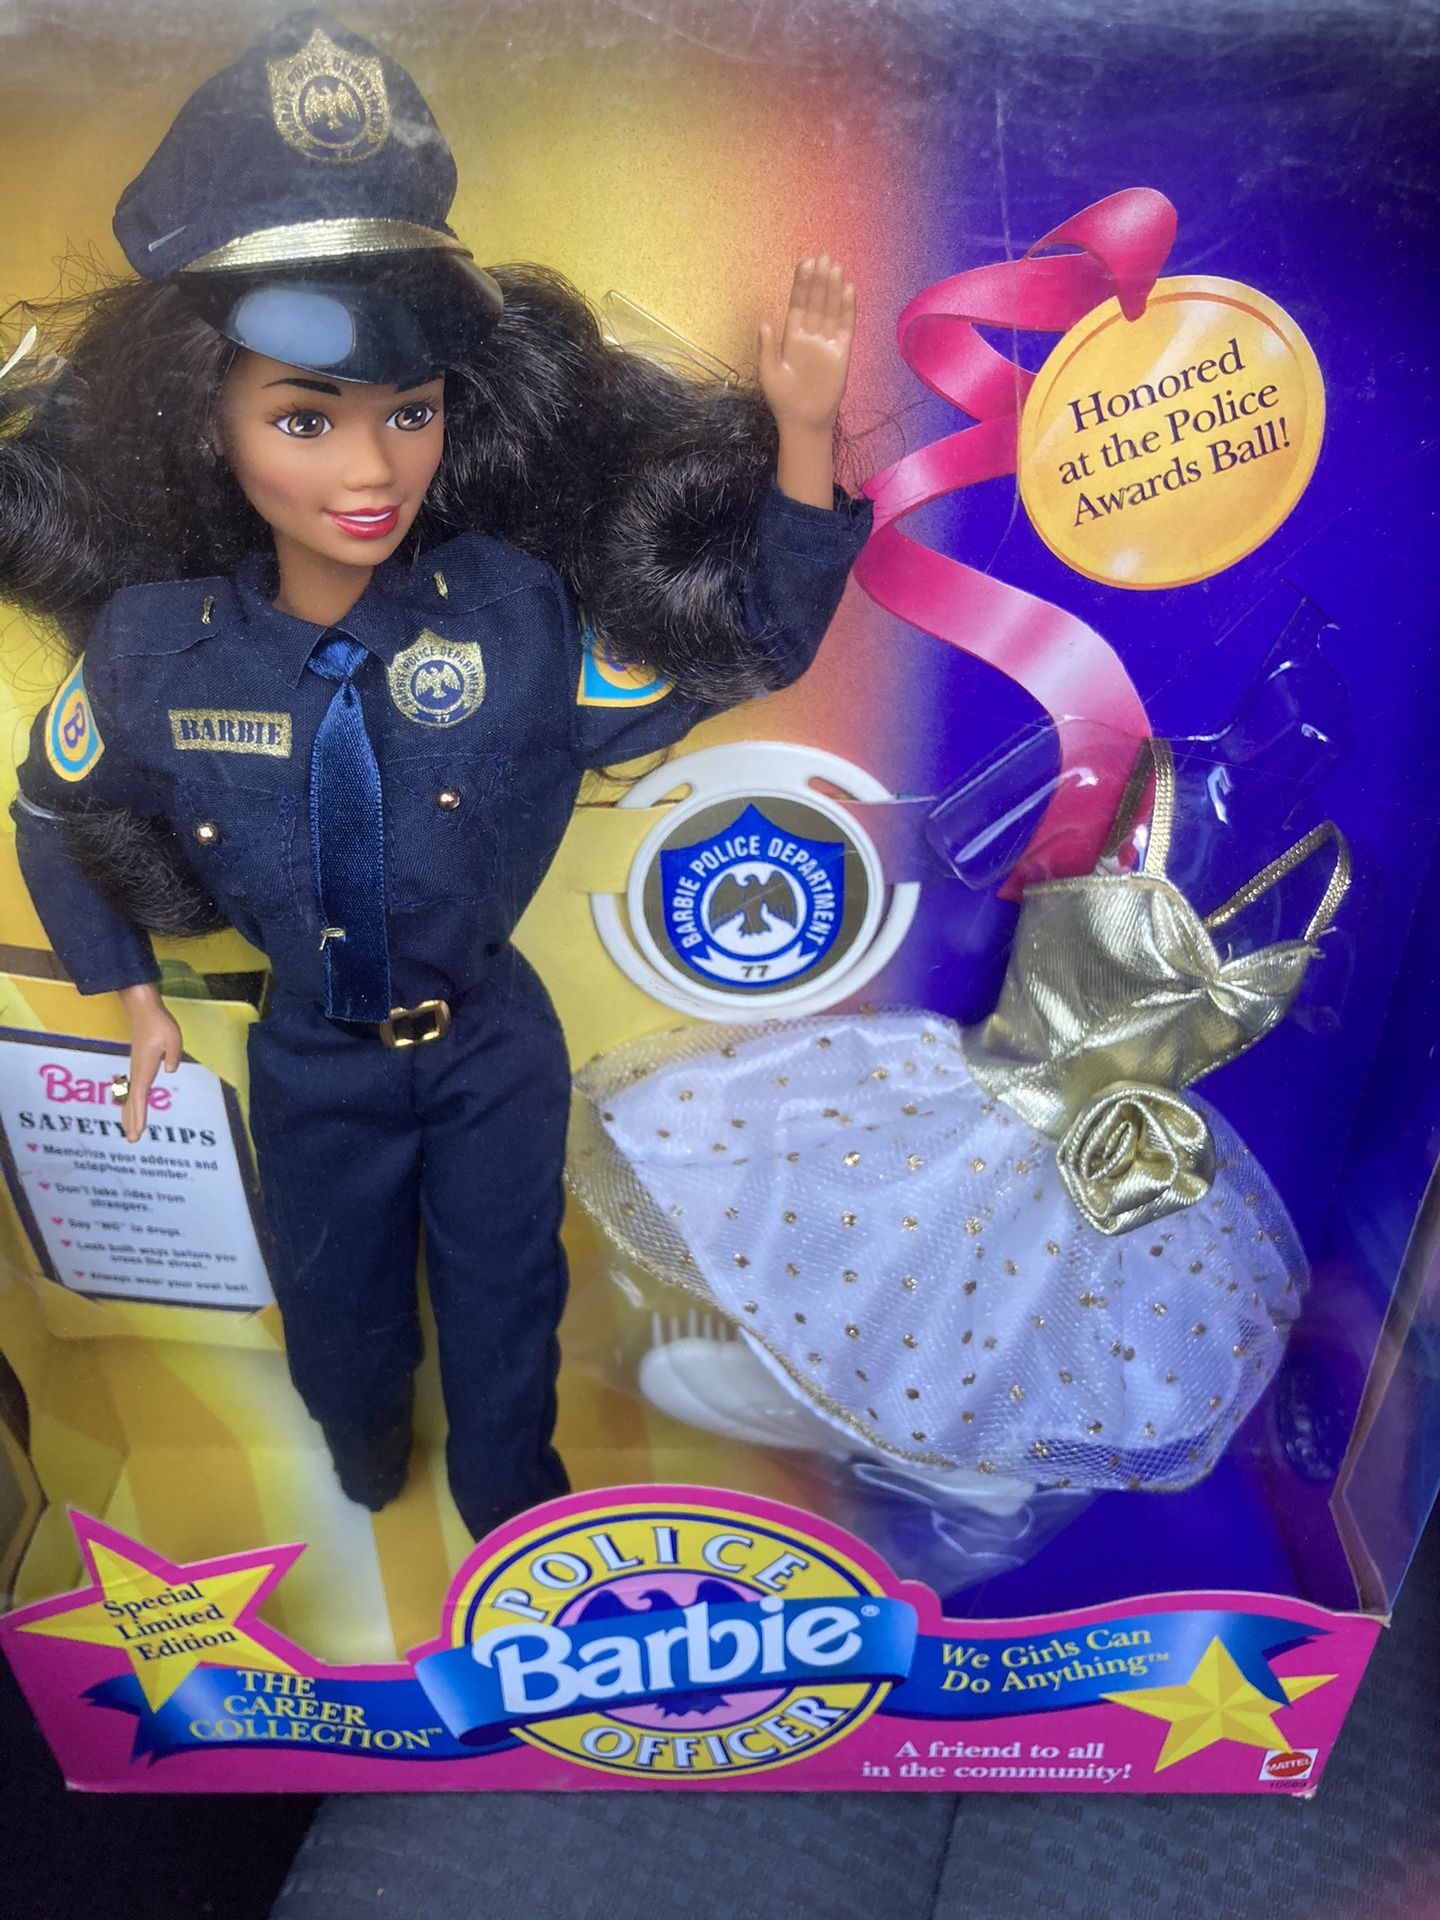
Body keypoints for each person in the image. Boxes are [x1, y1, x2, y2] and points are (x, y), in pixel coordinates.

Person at [2, 14, 871, 1537]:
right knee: (333, 1303)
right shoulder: (155, 654)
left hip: (491, 1049)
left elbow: (743, 646)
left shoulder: (516, 621)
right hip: (310, 1056)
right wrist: (126, 992)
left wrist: (805, 446)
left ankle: (510, 1511)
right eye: (305, 418)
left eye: (411, 411)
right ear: (206, 423)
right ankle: (361, 1465)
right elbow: (53, 805)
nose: (372, 468)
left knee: (507, 1291)